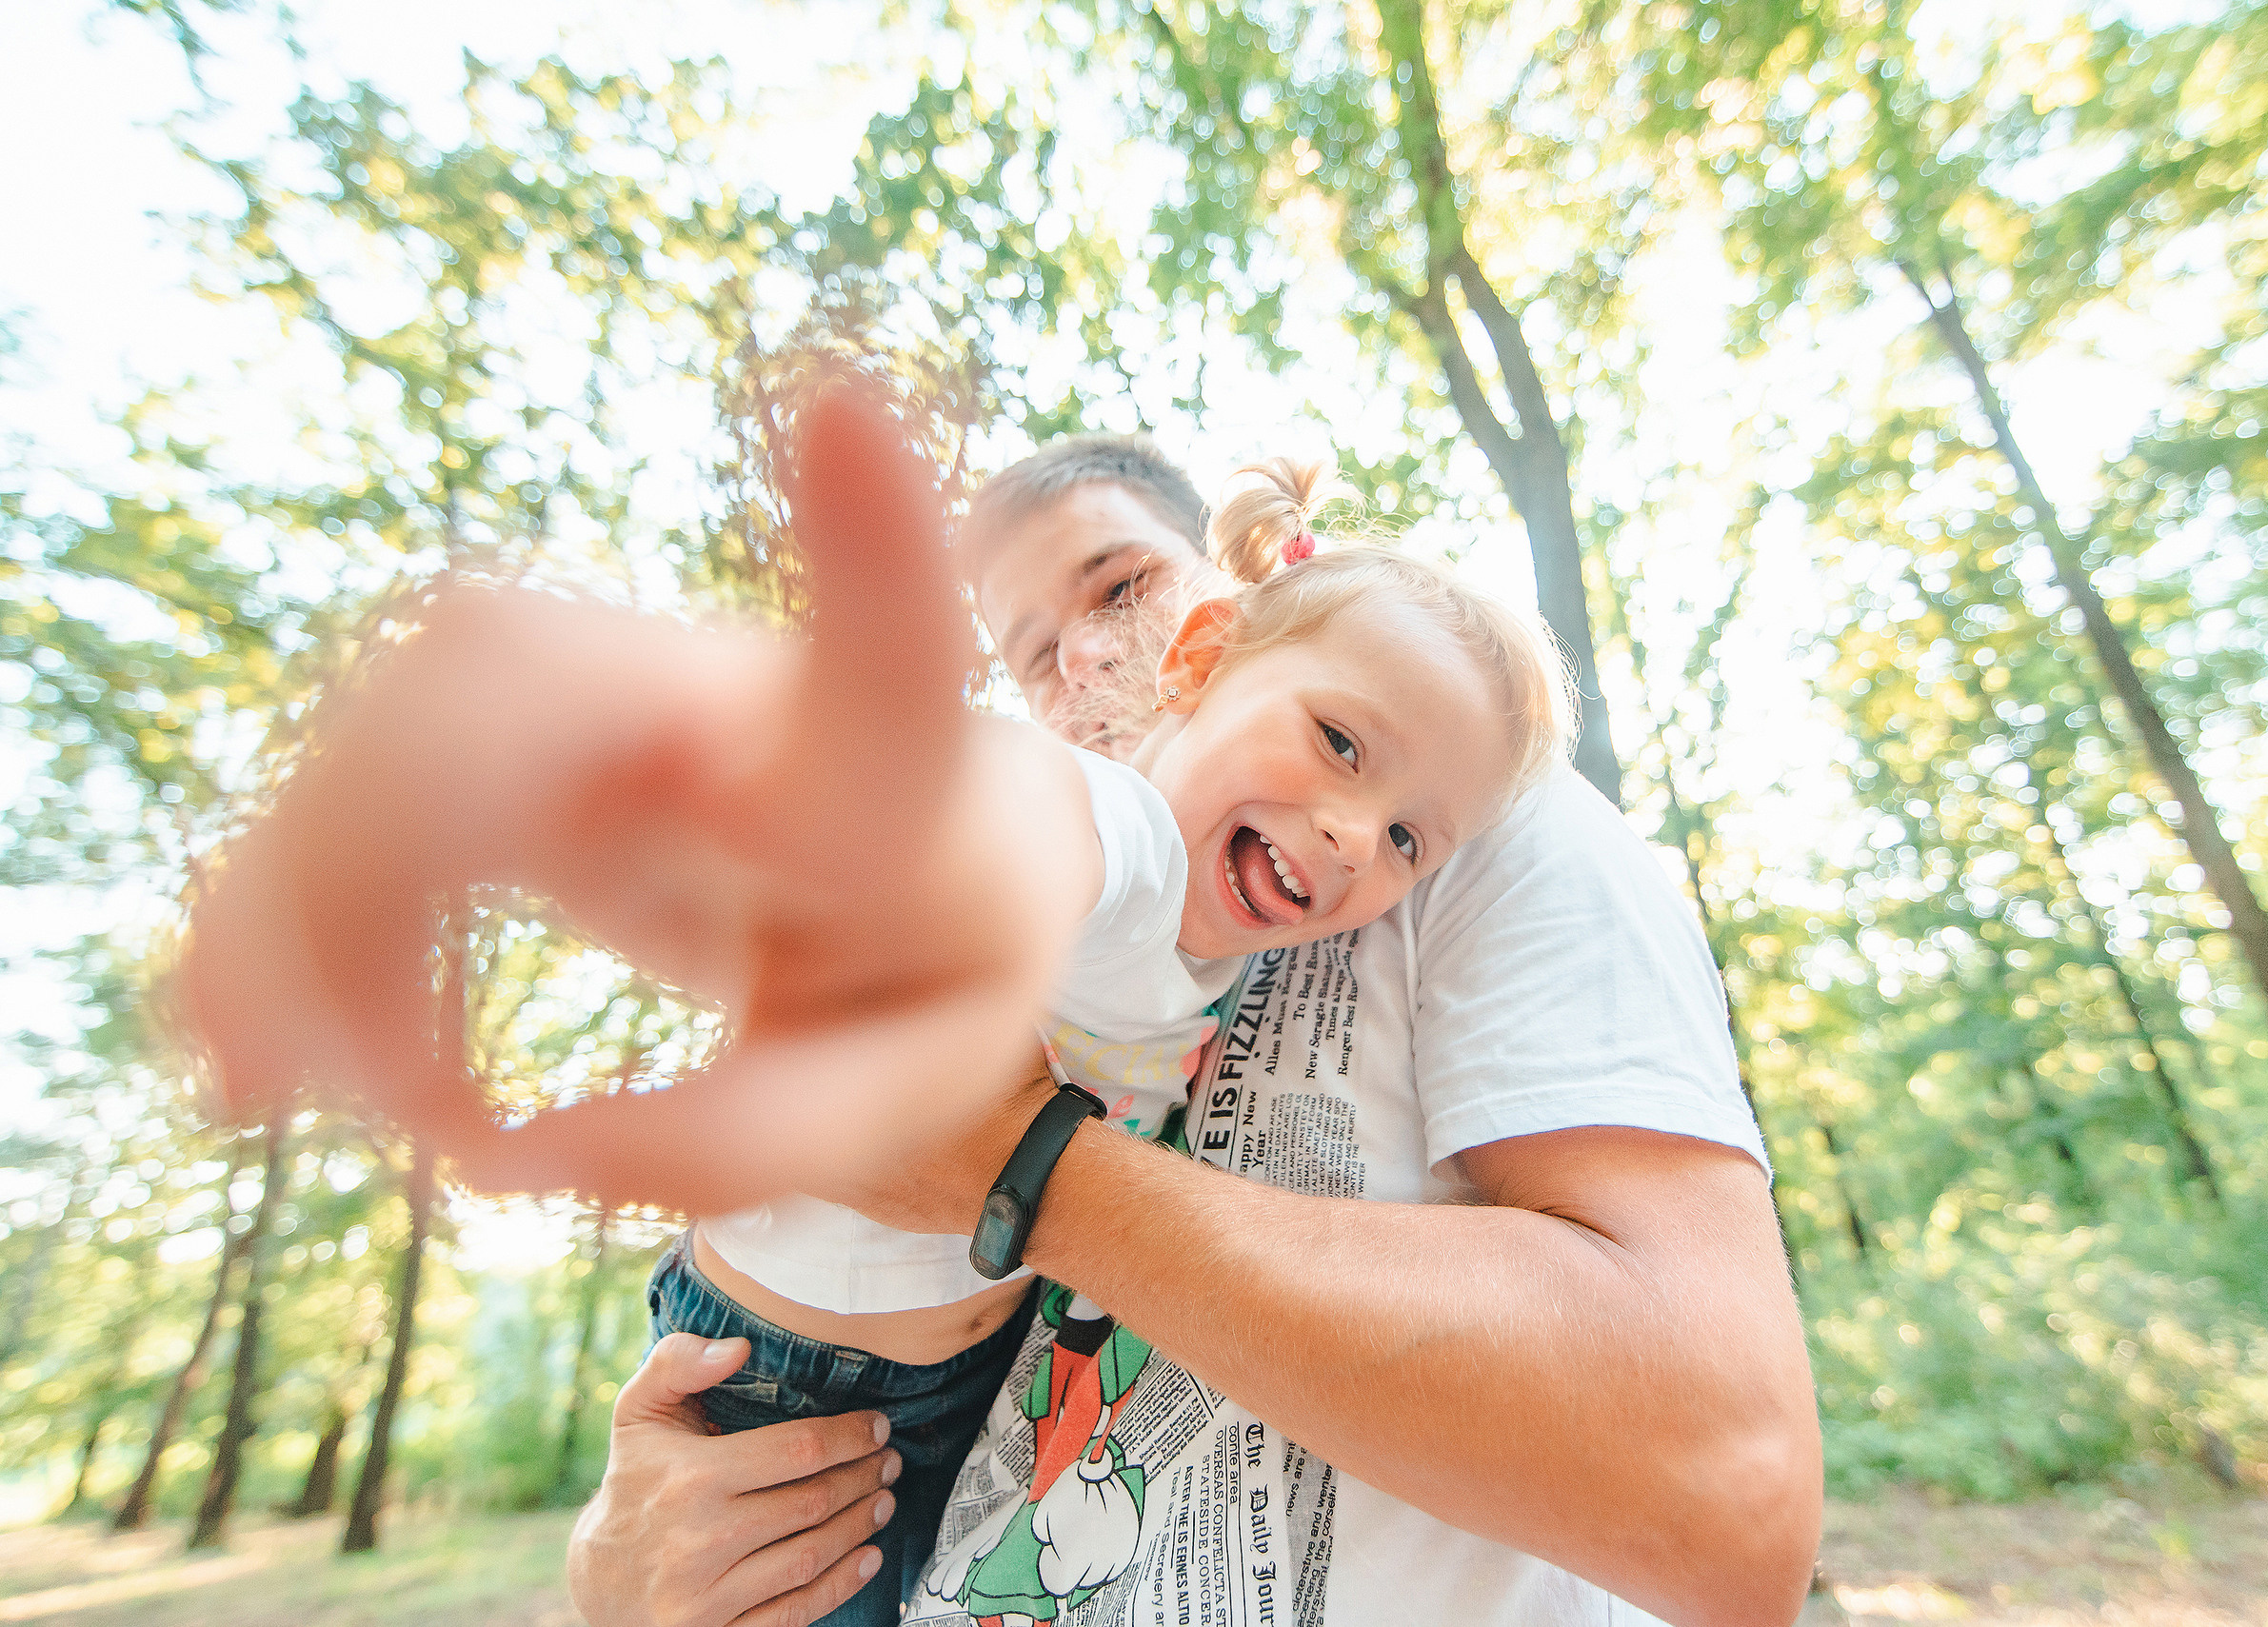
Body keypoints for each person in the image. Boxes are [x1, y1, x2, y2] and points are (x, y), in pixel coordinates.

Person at [561, 433, 1822, 1627]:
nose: (1085, 659)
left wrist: (1021, 1165)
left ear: (1215, 611)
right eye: (1033, 648)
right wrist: (625, 1551)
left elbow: (1731, 1488)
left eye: (1117, 584)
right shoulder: (1097, 926)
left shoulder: (1475, 796)